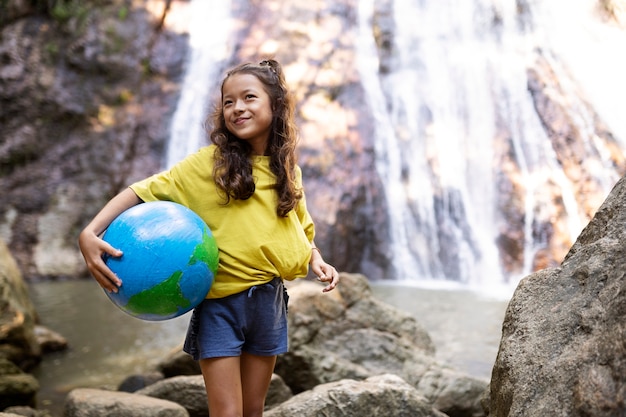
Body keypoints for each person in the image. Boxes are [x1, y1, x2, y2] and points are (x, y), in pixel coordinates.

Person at [78, 59, 339, 417]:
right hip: (220, 306)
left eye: (248, 97)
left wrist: (316, 258)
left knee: (253, 409)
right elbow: (143, 191)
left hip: (269, 302)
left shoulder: (287, 169)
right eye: (228, 101)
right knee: (227, 413)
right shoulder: (209, 165)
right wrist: (90, 232)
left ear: (276, 105)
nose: (237, 108)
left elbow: (299, 226)